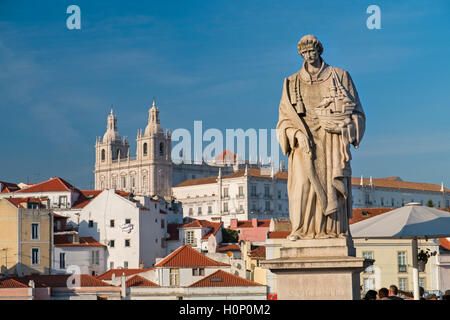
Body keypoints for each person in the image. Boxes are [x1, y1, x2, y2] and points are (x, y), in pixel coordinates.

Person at [277, 34, 366, 240]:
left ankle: (333, 231)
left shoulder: (341, 76)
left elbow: (358, 114)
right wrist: (296, 133)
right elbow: (283, 121)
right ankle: (301, 230)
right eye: (304, 52)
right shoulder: (291, 82)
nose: (309, 56)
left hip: (332, 142)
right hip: (302, 144)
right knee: (302, 187)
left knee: (330, 185)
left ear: (319, 50)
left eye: (312, 51)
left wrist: (342, 127)